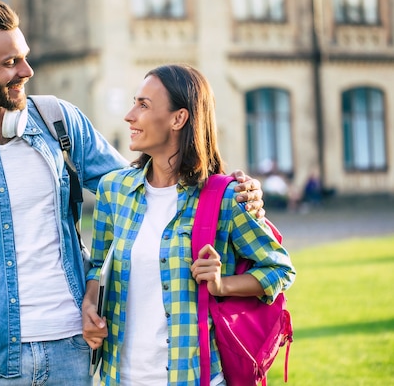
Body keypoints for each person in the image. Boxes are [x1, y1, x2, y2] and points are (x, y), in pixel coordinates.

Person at [0, 0, 266, 385]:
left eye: (24, 57)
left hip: (71, 353)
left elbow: (141, 187)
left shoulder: (59, 122)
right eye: (9, 63)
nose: (26, 71)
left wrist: (226, 188)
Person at [82, 64, 296, 386]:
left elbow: (280, 269)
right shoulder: (114, 190)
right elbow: (99, 266)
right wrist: (91, 307)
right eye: (134, 102)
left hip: (194, 378)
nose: (129, 115)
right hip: (119, 377)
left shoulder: (225, 197)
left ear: (178, 119)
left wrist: (222, 285)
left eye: (143, 105)